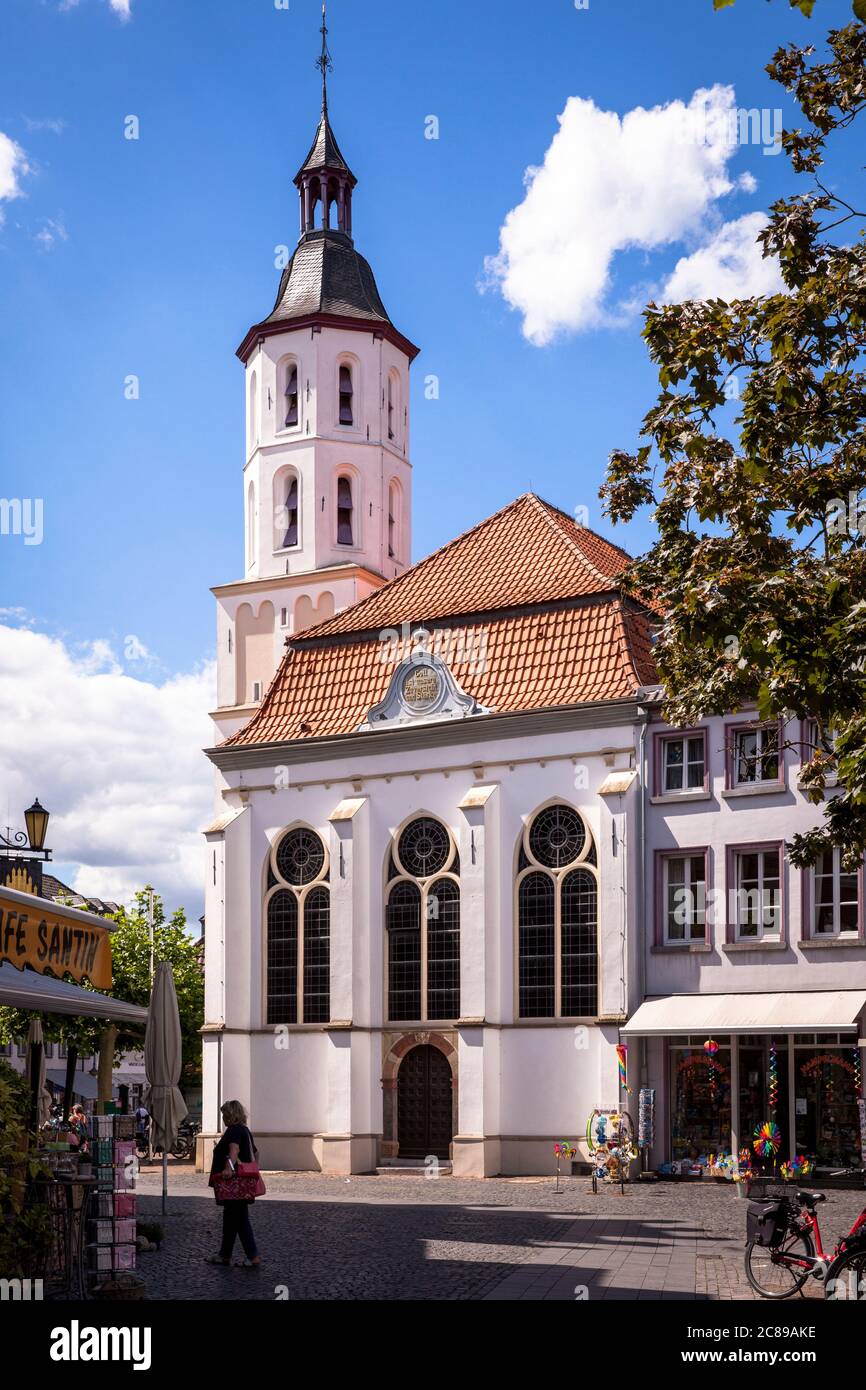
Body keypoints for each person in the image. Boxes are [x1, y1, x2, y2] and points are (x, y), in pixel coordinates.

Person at [206, 1100, 262, 1268]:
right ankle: (225, 1255)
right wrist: (252, 1171)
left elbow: (234, 1150)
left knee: (239, 1219)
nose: (223, 1118)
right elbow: (257, 1153)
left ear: (231, 1115)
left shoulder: (234, 1130)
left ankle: (253, 1256)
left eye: (224, 1115)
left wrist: (229, 1168)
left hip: (234, 1184)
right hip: (242, 1183)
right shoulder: (245, 1130)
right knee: (230, 1219)